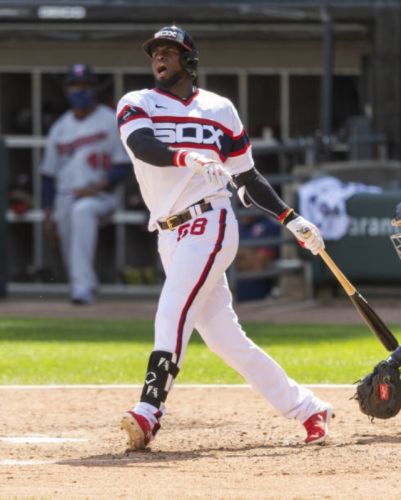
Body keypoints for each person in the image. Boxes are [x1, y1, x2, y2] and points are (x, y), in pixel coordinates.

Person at [117, 26, 333, 450]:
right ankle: (309, 408)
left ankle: (149, 409)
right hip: (168, 231)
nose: (160, 57)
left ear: (189, 60)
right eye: (156, 52)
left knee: (172, 309)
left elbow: (248, 177)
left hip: (209, 220)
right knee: (224, 339)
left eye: (170, 51)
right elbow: (142, 146)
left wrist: (292, 219)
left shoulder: (220, 109)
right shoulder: (137, 102)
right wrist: (189, 157)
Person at [40, 64, 130, 304]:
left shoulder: (110, 120)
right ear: (67, 89)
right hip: (65, 195)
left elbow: (123, 166)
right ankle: (82, 284)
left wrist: (96, 187)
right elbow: (48, 175)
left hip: (101, 196)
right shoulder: (60, 127)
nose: (80, 90)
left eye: (86, 85)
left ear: (95, 88)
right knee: (69, 242)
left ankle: (82, 289)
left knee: (82, 211)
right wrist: (48, 214)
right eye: (75, 85)